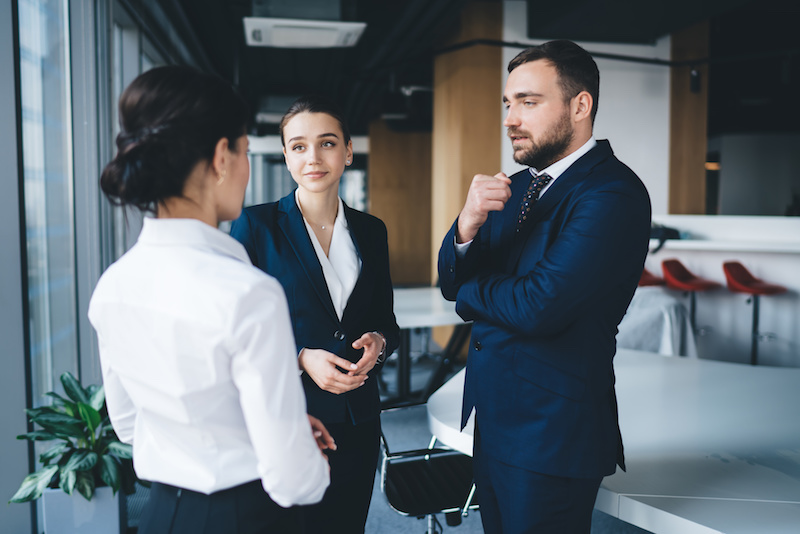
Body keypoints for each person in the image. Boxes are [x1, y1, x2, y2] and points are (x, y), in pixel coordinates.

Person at [88, 65, 332, 534]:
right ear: (222, 156)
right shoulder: (247, 293)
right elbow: (293, 481)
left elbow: (130, 425)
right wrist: (301, 450)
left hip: (161, 515)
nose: (243, 166)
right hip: (247, 517)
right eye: (243, 149)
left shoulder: (113, 285)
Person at [438, 40, 651, 533]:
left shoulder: (612, 193)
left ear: (580, 105)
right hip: (494, 421)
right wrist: (468, 222)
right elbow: (449, 280)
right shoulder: (512, 188)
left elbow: (538, 306)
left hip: (553, 433)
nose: (511, 118)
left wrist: (473, 294)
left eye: (528, 102)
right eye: (508, 104)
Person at [230, 95, 400, 534]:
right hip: (289, 415)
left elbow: (387, 322)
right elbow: (233, 331)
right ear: (286, 156)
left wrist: (379, 343)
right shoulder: (255, 227)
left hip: (359, 420)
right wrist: (302, 356)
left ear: (347, 152)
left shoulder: (371, 230)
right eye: (299, 146)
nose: (313, 157)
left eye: (326, 143)